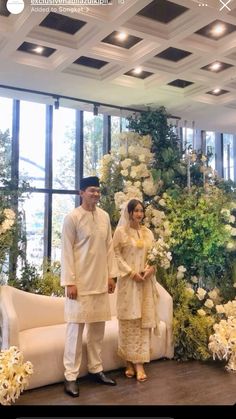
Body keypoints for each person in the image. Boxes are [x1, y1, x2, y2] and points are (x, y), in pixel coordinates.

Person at [60, 175, 118, 397]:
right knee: (75, 331)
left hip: (100, 283)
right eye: (91, 190)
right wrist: (70, 282)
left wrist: (111, 276)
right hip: (79, 285)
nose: (95, 194)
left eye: (97, 190)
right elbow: (66, 252)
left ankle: (96, 369)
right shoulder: (72, 218)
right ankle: (70, 376)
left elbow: (109, 248)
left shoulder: (104, 217)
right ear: (81, 193)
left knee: (97, 331)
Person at [112, 198, 160, 382]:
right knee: (129, 322)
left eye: (141, 210)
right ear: (129, 212)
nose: (139, 214)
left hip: (145, 282)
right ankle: (129, 361)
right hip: (129, 283)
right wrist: (131, 273)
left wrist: (150, 269)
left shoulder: (148, 233)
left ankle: (139, 363)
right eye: (136, 211)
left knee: (141, 321)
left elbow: (156, 254)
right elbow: (115, 255)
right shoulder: (121, 232)